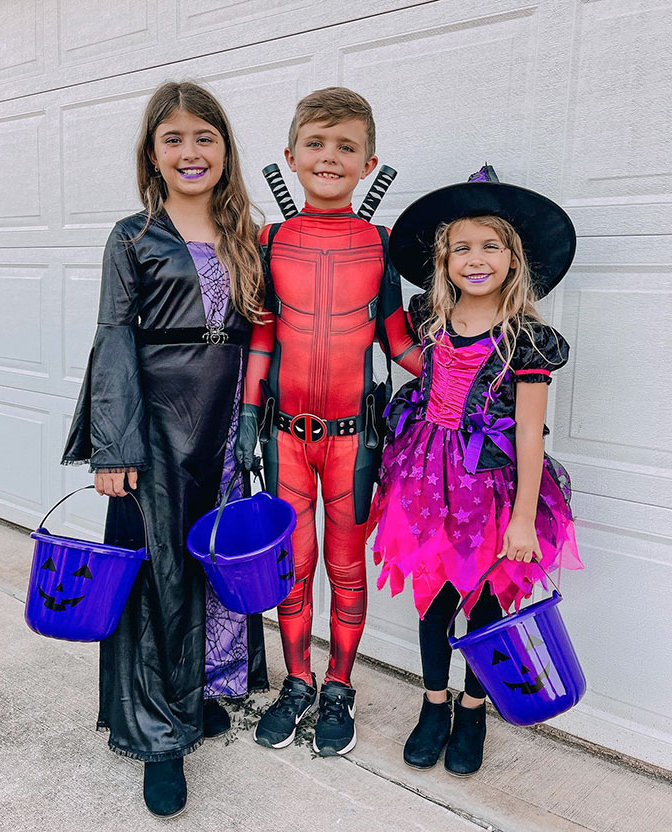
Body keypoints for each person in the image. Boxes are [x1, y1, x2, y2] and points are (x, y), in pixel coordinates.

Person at [62, 81, 268, 818]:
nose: (190, 152)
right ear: (152, 152)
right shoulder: (132, 236)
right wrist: (112, 446)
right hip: (152, 423)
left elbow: (264, 335)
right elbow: (113, 339)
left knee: (211, 566)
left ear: (225, 148)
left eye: (204, 137)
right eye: (173, 138)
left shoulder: (248, 232)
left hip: (221, 424)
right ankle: (157, 736)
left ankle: (197, 693)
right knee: (156, 576)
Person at [367, 165, 584, 776]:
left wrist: (521, 522)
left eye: (491, 245)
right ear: (444, 260)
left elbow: (529, 438)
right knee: (434, 601)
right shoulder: (432, 324)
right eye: (461, 246)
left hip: (495, 490)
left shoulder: (527, 341)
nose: (476, 257)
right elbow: (400, 352)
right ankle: (433, 705)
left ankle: (472, 706)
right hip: (426, 482)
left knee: (485, 606)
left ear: (514, 259)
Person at [235, 87, 422, 756]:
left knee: (345, 569)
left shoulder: (384, 243)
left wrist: (469, 367)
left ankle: (338, 687)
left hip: (354, 444)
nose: (329, 156)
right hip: (284, 440)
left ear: (370, 162)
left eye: (346, 146)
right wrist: (247, 418)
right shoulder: (270, 238)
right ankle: (297, 683)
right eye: (316, 143)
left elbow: (398, 344)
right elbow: (261, 336)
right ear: (290, 156)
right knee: (293, 569)